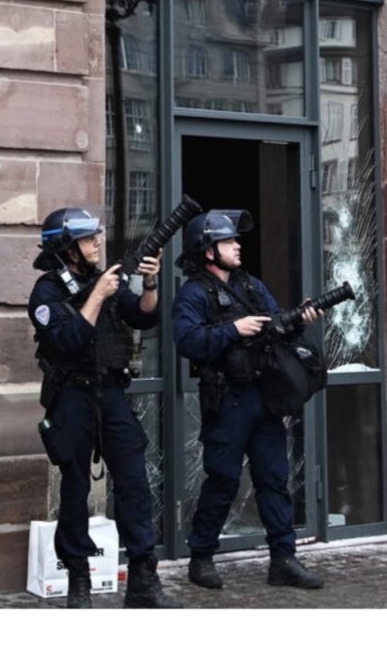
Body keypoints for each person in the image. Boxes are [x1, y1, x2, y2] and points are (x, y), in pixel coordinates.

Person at [28, 207, 180, 609]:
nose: (98, 242)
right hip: (72, 397)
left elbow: (144, 316)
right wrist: (97, 295)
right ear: (67, 247)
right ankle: (79, 578)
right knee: (76, 487)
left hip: (112, 394)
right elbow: (70, 339)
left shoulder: (104, 281)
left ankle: (143, 581)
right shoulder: (47, 292)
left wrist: (149, 282)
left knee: (134, 482)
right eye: (88, 237)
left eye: (96, 235)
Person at [172, 210, 324, 591]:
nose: (238, 246)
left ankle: (283, 560)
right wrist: (232, 330)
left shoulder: (250, 285)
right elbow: (186, 340)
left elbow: (275, 325)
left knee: (274, 478)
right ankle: (201, 557)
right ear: (208, 251)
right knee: (223, 479)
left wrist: (299, 319)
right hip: (227, 402)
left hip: (263, 397)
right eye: (228, 241)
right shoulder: (193, 293)